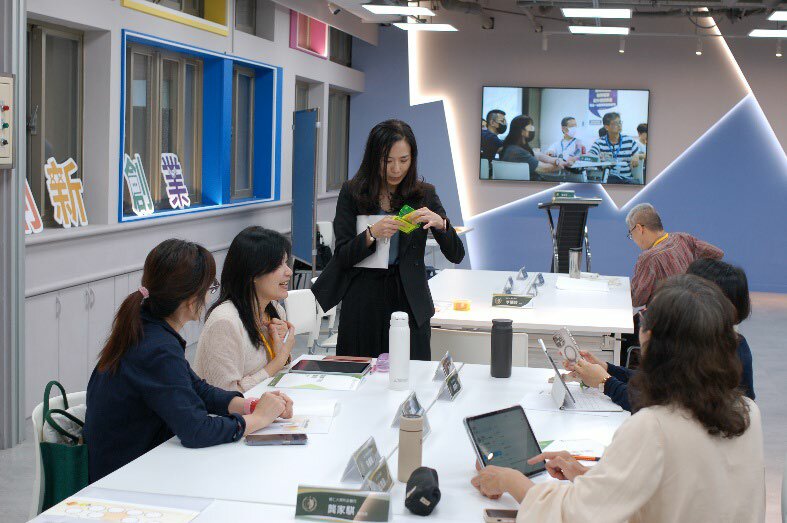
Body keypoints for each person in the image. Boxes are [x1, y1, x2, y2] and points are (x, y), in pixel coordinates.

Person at [471, 275, 765, 522]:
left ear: (649, 337)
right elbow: (686, 490)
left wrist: (511, 480)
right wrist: (592, 476)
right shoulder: (748, 412)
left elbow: (572, 516)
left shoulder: (653, 427)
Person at [83, 239, 294, 482]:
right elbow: (196, 430)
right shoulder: (156, 348)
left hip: (141, 461)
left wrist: (251, 406)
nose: (210, 296)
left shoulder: (148, 329)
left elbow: (197, 389)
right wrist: (258, 420)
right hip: (125, 476)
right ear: (191, 299)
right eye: (210, 287)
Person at [312, 119, 465, 360]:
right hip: (363, 298)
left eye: (404, 160)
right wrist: (371, 234)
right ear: (374, 159)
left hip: (409, 297)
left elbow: (456, 254)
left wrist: (441, 224)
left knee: (412, 371)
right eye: (387, 161)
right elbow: (342, 255)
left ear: (412, 158)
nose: (396, 169)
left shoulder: (424, 194)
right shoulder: (352, 192)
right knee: (361, 370)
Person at [568, 259, 756, 409]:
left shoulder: (711, 353)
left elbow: (656, 405)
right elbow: (658, 385)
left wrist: (605, 382)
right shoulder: (718, 344)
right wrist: (608, 370)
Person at [194, 227, 296, 393]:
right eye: (279, 264)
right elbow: (225, 395)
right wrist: (278, 362)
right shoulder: (225, 321)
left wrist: (283, 351)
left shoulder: (275, 310)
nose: (289, 271)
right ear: (254, 273)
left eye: (286, 263)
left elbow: (279, 372)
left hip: (269, 402)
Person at [627, 203, 724, 307]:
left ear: (639, 228)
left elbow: (636, 299)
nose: (633, 239)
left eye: (631, 234)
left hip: (669, 314)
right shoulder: (683, 238)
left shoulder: (649, 258)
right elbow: (717, 253)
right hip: (697, 308)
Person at [500, 115, 564, 180]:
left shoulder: (513, 147)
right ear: (522, 131)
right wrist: (563, 165)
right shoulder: (516, 151)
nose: (532, 130)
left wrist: (557, 161)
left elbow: (538, 155)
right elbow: (544, 168)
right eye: (530, 127)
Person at [589, 112, 640, 183]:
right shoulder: (599, 142)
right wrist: (598, 158)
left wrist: (636, 156)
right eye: (615, 123)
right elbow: (590, 155)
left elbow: (641, 154)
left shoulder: (629, 140)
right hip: (607, 179)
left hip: (626, 179)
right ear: (606, 127)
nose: (619, 125)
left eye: (620, 122)